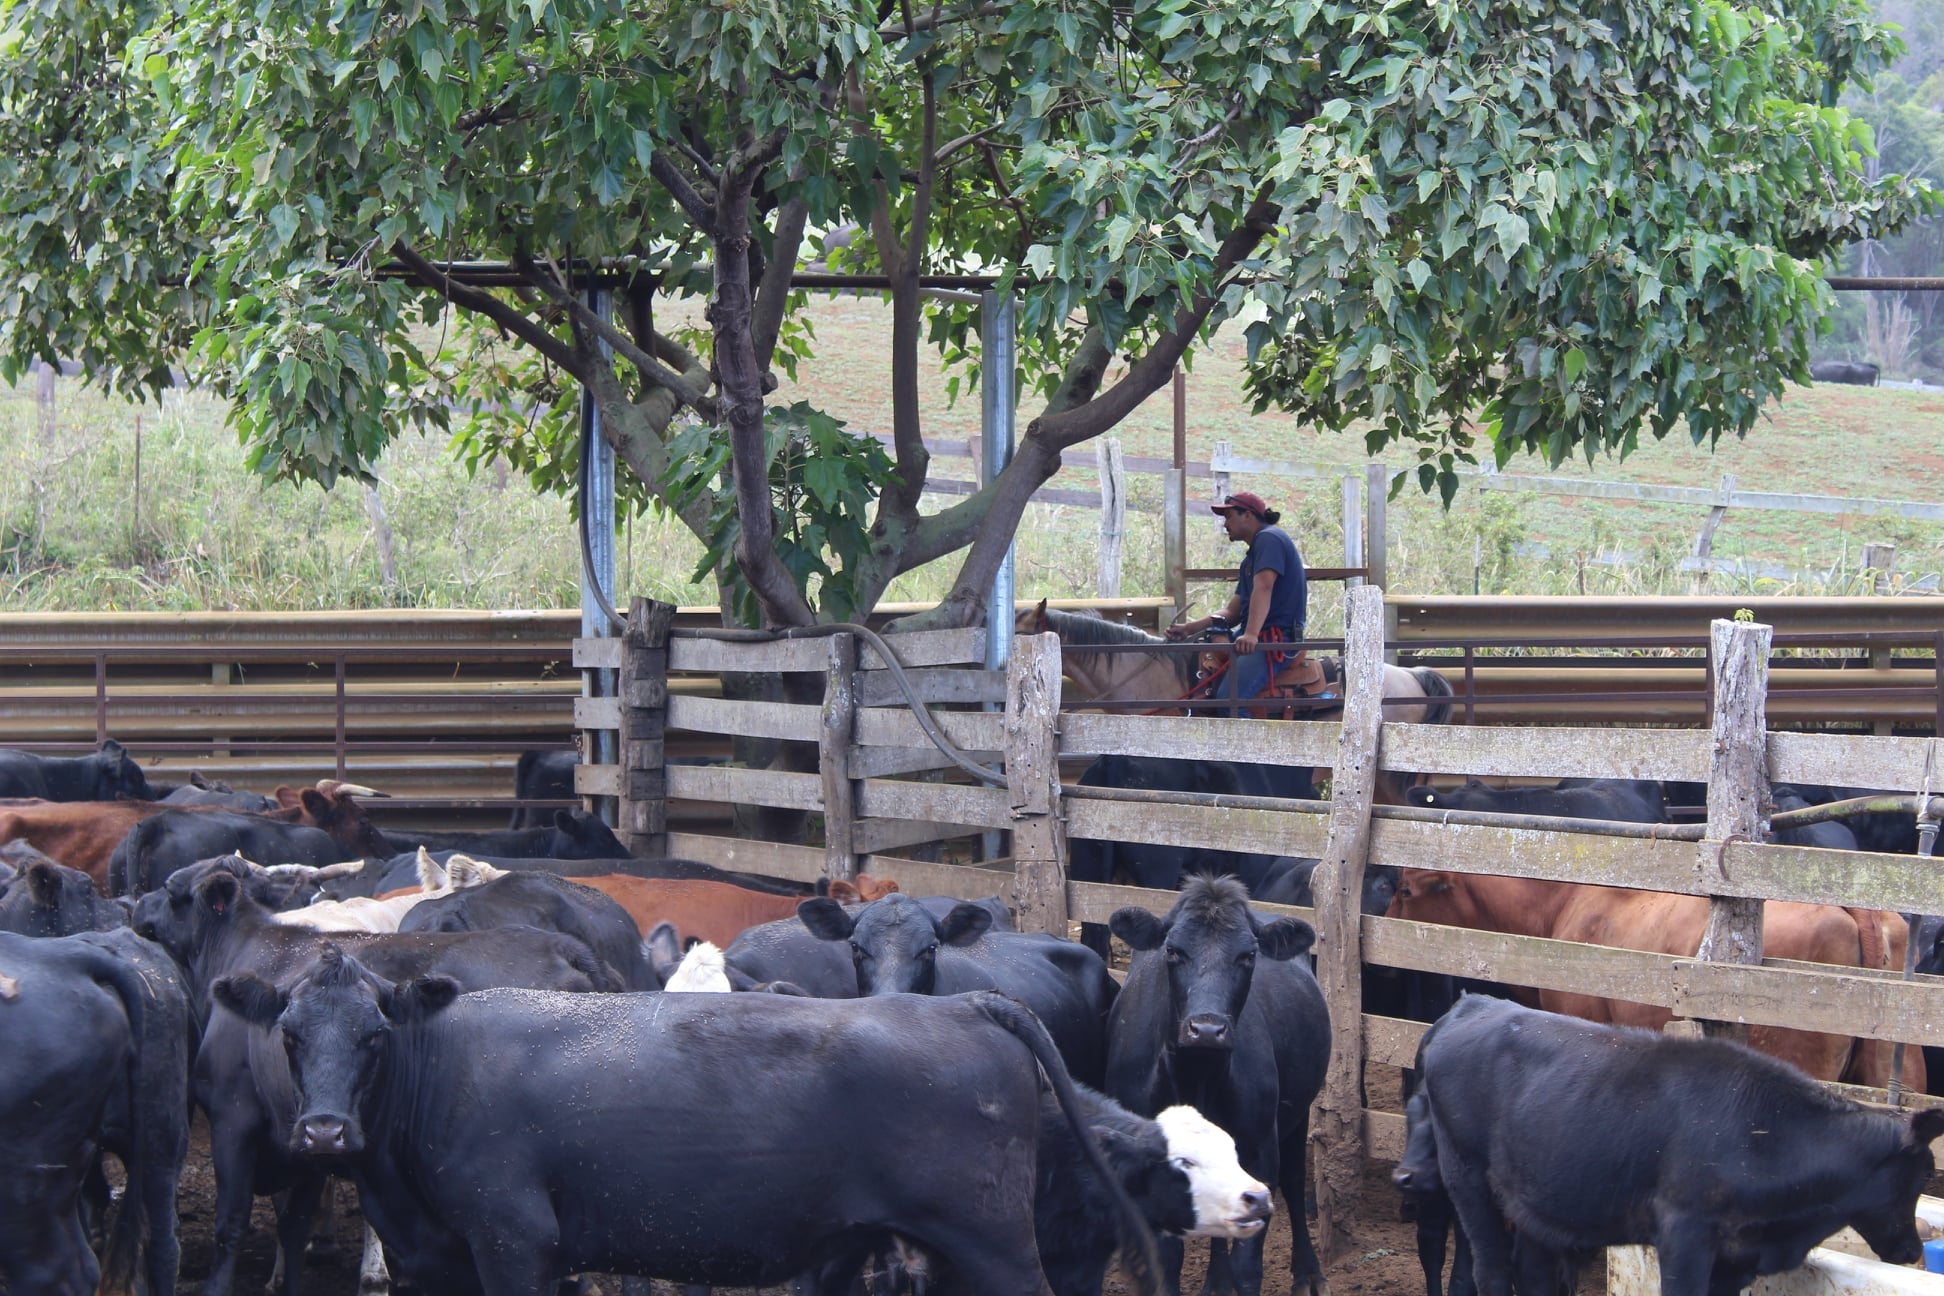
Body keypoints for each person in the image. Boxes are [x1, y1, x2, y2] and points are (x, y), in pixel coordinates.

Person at [1165, 491, 1308, 707]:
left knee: (1227, 701)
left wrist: (1251, 634)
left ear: (1248, 515)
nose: (1225, 524)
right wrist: (1190, 628)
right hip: (1257, 637)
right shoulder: (1250, 559)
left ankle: (1252, 739)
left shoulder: (1269, 539)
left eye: (1229, 516)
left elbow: (1264, 587)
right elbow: (1232, 612)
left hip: (1274, 642)